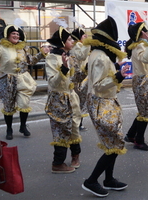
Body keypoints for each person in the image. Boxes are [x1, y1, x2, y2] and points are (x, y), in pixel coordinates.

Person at [81, 16, 129, 197]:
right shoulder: (100, 57)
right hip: (102, 103)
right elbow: (99, 84)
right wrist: (119, 76)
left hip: (104, 102)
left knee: (112, 143)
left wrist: (115, 67)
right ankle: (91, 181)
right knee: (115, 143)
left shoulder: (97, 54)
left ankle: (109, 180)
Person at [0, 25, 48, 140]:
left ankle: (23, 126)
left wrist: (41, 54)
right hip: (7, 80)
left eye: (17, 34)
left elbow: (31, 61)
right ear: (8, 35)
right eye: (13, 33)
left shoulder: (23, 48)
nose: (16, 36)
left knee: (24, 104)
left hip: (23, 79)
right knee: (8, 107)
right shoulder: (0, 47)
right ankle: (9, 129)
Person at [45, 26, 83, 173]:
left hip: (71, 96)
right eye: (69, 39)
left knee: (74, 126)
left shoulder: (70, 56)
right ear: (62, 42)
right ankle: (58, 163)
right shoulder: (51, 58)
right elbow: (53, 83)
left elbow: (76, 77)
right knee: (61, 130)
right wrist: (64, 69)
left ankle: (75, 156)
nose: (72, 41)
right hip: (58, 99)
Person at [124, 22, 148, 151]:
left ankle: (131, 135)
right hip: (143, 81)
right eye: (145, 32)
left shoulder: (142, 45)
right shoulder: (139, 46)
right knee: (145, 112)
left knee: (144, 111)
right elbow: (146, 60)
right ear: (140, 34)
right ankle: (139, 141)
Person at [70, 27, 91, 131]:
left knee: (81, 101)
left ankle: (79, 123)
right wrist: (87, 44)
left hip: (83, 77)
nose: (86, 37)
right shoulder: (76, 47)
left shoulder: (81, 46)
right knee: (78, 101)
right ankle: (76, 123)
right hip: (78, 78)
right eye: (83, 36)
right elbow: (82, 56)